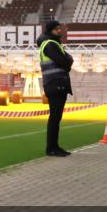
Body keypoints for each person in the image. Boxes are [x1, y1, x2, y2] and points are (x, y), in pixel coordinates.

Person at [36, 20, 74, 157]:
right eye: (57, 29)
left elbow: (67, 60)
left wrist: (68, 60)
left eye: (60, 28)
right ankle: (52, 148)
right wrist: (69, 60)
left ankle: (54, 146)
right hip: (55, 83)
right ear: (50, 30)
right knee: (55, 118)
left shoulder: (53, 44)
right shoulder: (50, 45)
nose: (60, 31)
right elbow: (65, 62)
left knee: (56, 117)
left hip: (55, 84)